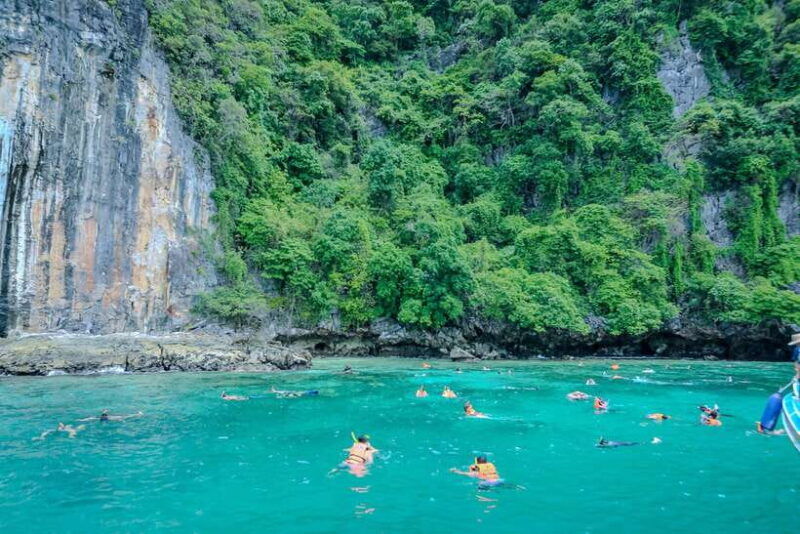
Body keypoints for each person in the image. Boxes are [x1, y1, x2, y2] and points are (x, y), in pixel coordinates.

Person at [79, 409, 143, 422]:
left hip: (109, 419)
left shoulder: (102, 418)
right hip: (113, 418)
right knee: (126, 417)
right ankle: (138, 414)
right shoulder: (109, 418)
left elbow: (91, 419)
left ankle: (138, 414)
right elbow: (119, 419)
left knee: (92, 419)